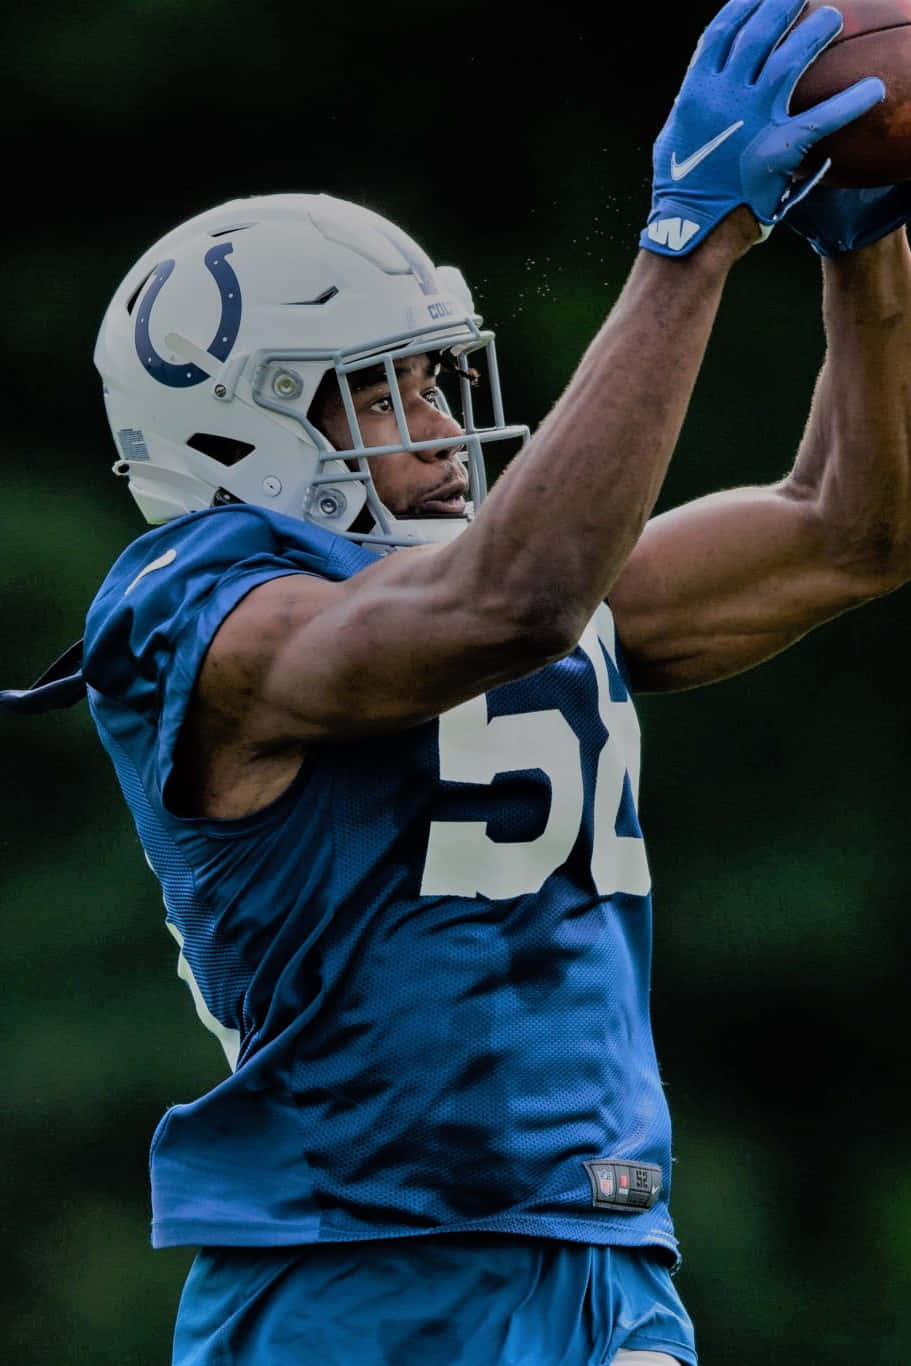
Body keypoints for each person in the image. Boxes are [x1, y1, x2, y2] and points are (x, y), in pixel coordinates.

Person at [7, 0, 911, 1361]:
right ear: (239, 427)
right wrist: (688, 245)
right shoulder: (200, 615)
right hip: (357, 1281)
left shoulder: (507, 587)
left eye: (437, 376)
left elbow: (854, 528)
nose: (441, 427)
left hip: (610, 1264)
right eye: (386, 390)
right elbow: (514, 599)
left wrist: (869, 243)